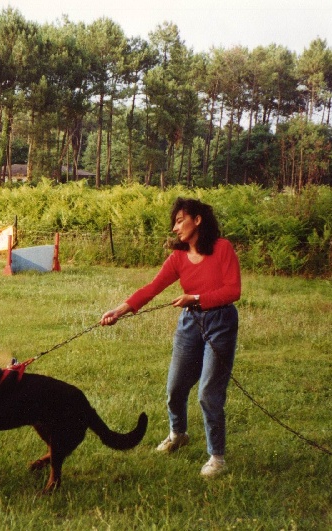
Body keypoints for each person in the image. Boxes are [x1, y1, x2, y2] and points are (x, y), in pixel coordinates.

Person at [100, 198, 241, 478]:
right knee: (175, 387)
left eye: (179, 221)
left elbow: (232, 291)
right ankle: (178, 434)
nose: (175, 228)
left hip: (221, 321)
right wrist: (119, 310)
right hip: (191, 322)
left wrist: (197, 298)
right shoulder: (177, 257)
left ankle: (217, 457)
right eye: (174, 223)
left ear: (197, 220)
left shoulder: (223, 248)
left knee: (208, 393)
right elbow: (152, 288)